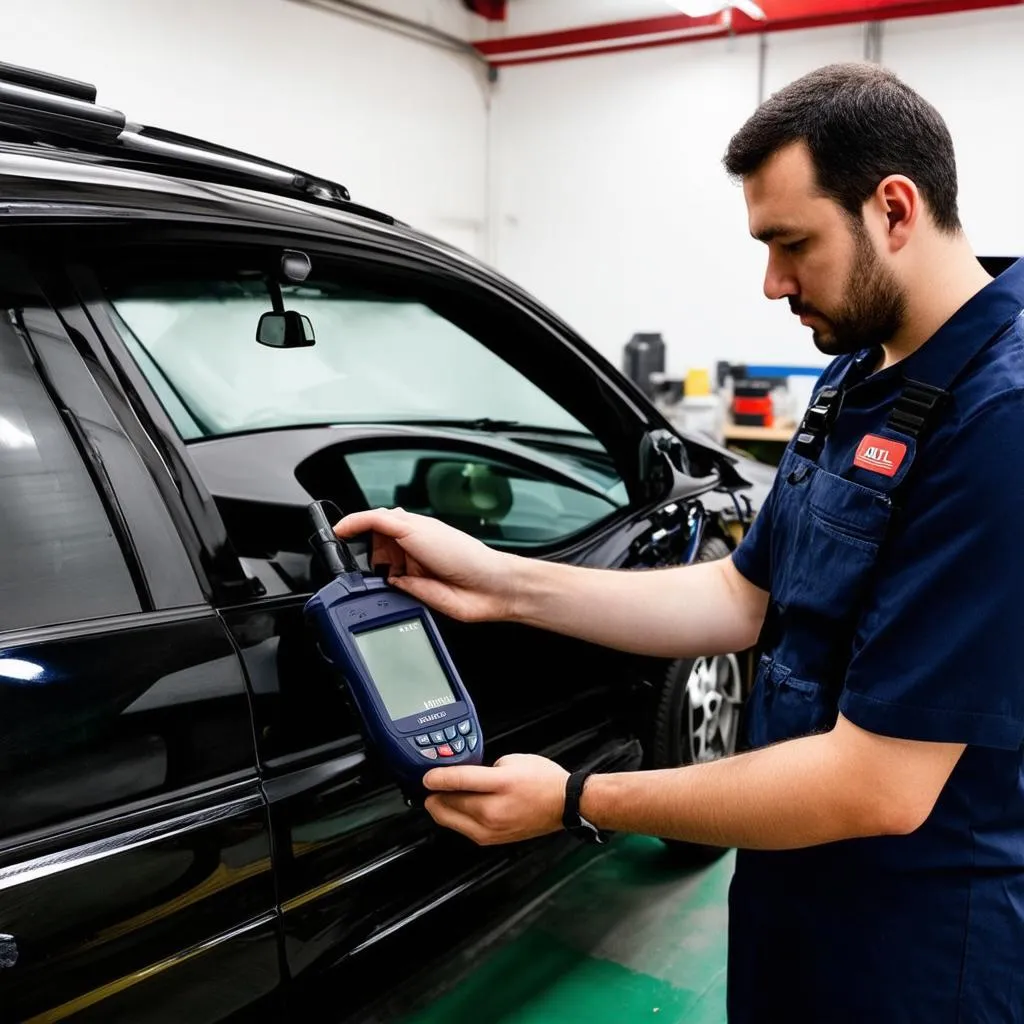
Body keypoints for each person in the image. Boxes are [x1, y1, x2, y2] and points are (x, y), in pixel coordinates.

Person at [336, 62, 1024, 1022]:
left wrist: (577, 800)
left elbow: (882, 785)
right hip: (792, 902)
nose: (773, 282)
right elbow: (741, 600)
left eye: (793, 244)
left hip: (920, 951)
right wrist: (499, 581)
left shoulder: (1000, 420)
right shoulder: (859, 369)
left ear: (894, 209)